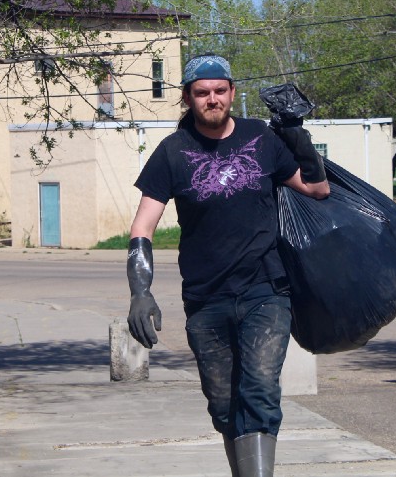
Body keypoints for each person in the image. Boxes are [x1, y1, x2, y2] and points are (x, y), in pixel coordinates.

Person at [125, 53, 329, 477]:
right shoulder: (173, 152)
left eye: (220, 90)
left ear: (232, 93)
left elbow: (316, 189)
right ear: (187, 98)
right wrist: (140, 291)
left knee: (258, 392)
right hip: (205, 299)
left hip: (265, 292)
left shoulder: (260, 138)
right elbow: (142, 227)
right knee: (223, 405)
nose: (212, 99)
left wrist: (297, 136)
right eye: (202, 93)